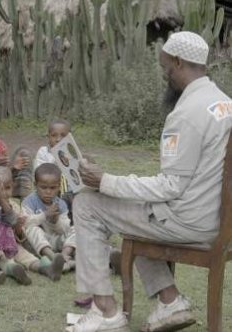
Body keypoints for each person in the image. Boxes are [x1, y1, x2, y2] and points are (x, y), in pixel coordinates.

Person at [66, 31, 232, 332]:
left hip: (189, 223)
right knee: (138, 209)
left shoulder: (186, 114)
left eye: (165, 67)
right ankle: (170, 301)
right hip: (219, 221)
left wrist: (105, 180)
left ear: (179, 62)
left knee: (87, 203)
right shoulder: (224, 104)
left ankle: (106, 311)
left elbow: (171, 186)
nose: (164, 75)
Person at [0, 166, 65, 282]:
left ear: (13, 187)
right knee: (1, 258)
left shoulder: (14, 206)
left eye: (8, 188)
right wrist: (1, 201)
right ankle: (13, 270)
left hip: (12, 245)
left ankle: (46, 268)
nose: (4, 193)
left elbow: (19, 234)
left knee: (26, 256)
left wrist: (18, 227)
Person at [22, 163, 76, 272]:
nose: (48, 191)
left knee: (76, 229)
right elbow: (25, 223)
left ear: (59, 187)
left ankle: (64, 256)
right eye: (43, 187)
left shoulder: (60, 204)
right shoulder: (29, 201)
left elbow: (64, 228)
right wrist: (45, 215)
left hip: (57, 240)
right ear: (35, 185)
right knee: (32, 229)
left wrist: (56, 221)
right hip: (39, 244)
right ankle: (53, 256)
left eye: (53, 188)